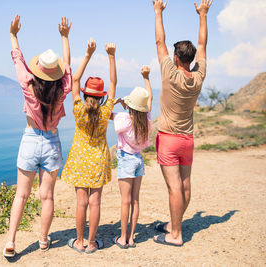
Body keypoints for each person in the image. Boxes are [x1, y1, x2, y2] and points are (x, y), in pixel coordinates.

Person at [3, 15, 72, 257]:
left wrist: (13, 35)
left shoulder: (27, 84)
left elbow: (17, 59)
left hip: (30, 139)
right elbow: (68, 68)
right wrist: (65, 37)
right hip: (52, 142)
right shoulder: (63, 89)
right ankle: (43, 240)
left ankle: (11, 242)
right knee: (47, 196)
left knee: (21, 195)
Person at [152, 0, 212, 246]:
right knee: (185, 186)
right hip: (187, 139)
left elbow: (159, 42)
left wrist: (157, 11)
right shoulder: (198, 77)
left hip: (168, 139)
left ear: (176, 58)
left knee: (174, 188)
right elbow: (203, 45)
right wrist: (203, 15)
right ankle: (173, 224)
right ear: (191, 59)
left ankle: (176, 235)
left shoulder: (169, 72)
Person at [61, 38, 117, 254]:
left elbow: (74, 80)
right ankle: (92, 243)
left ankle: (79, 242)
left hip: (79, 159)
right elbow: (113, 84)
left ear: (85, 94)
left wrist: (88, 54)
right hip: (99, 159)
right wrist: (111, 56)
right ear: (101, 97)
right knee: (96, 203)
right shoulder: (105, 112)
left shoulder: (78, 110)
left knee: (80, 203)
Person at [111, 66, 153, 249]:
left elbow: (107, 114)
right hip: (138, 161)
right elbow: (149, 99)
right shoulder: (146, 119)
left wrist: (118, 103)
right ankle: (132, 238)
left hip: (126, 160)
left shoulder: (124, 118)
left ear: (129, 106)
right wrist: (147, 78)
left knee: (125, 200)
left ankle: (122, 238)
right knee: (135, 200)